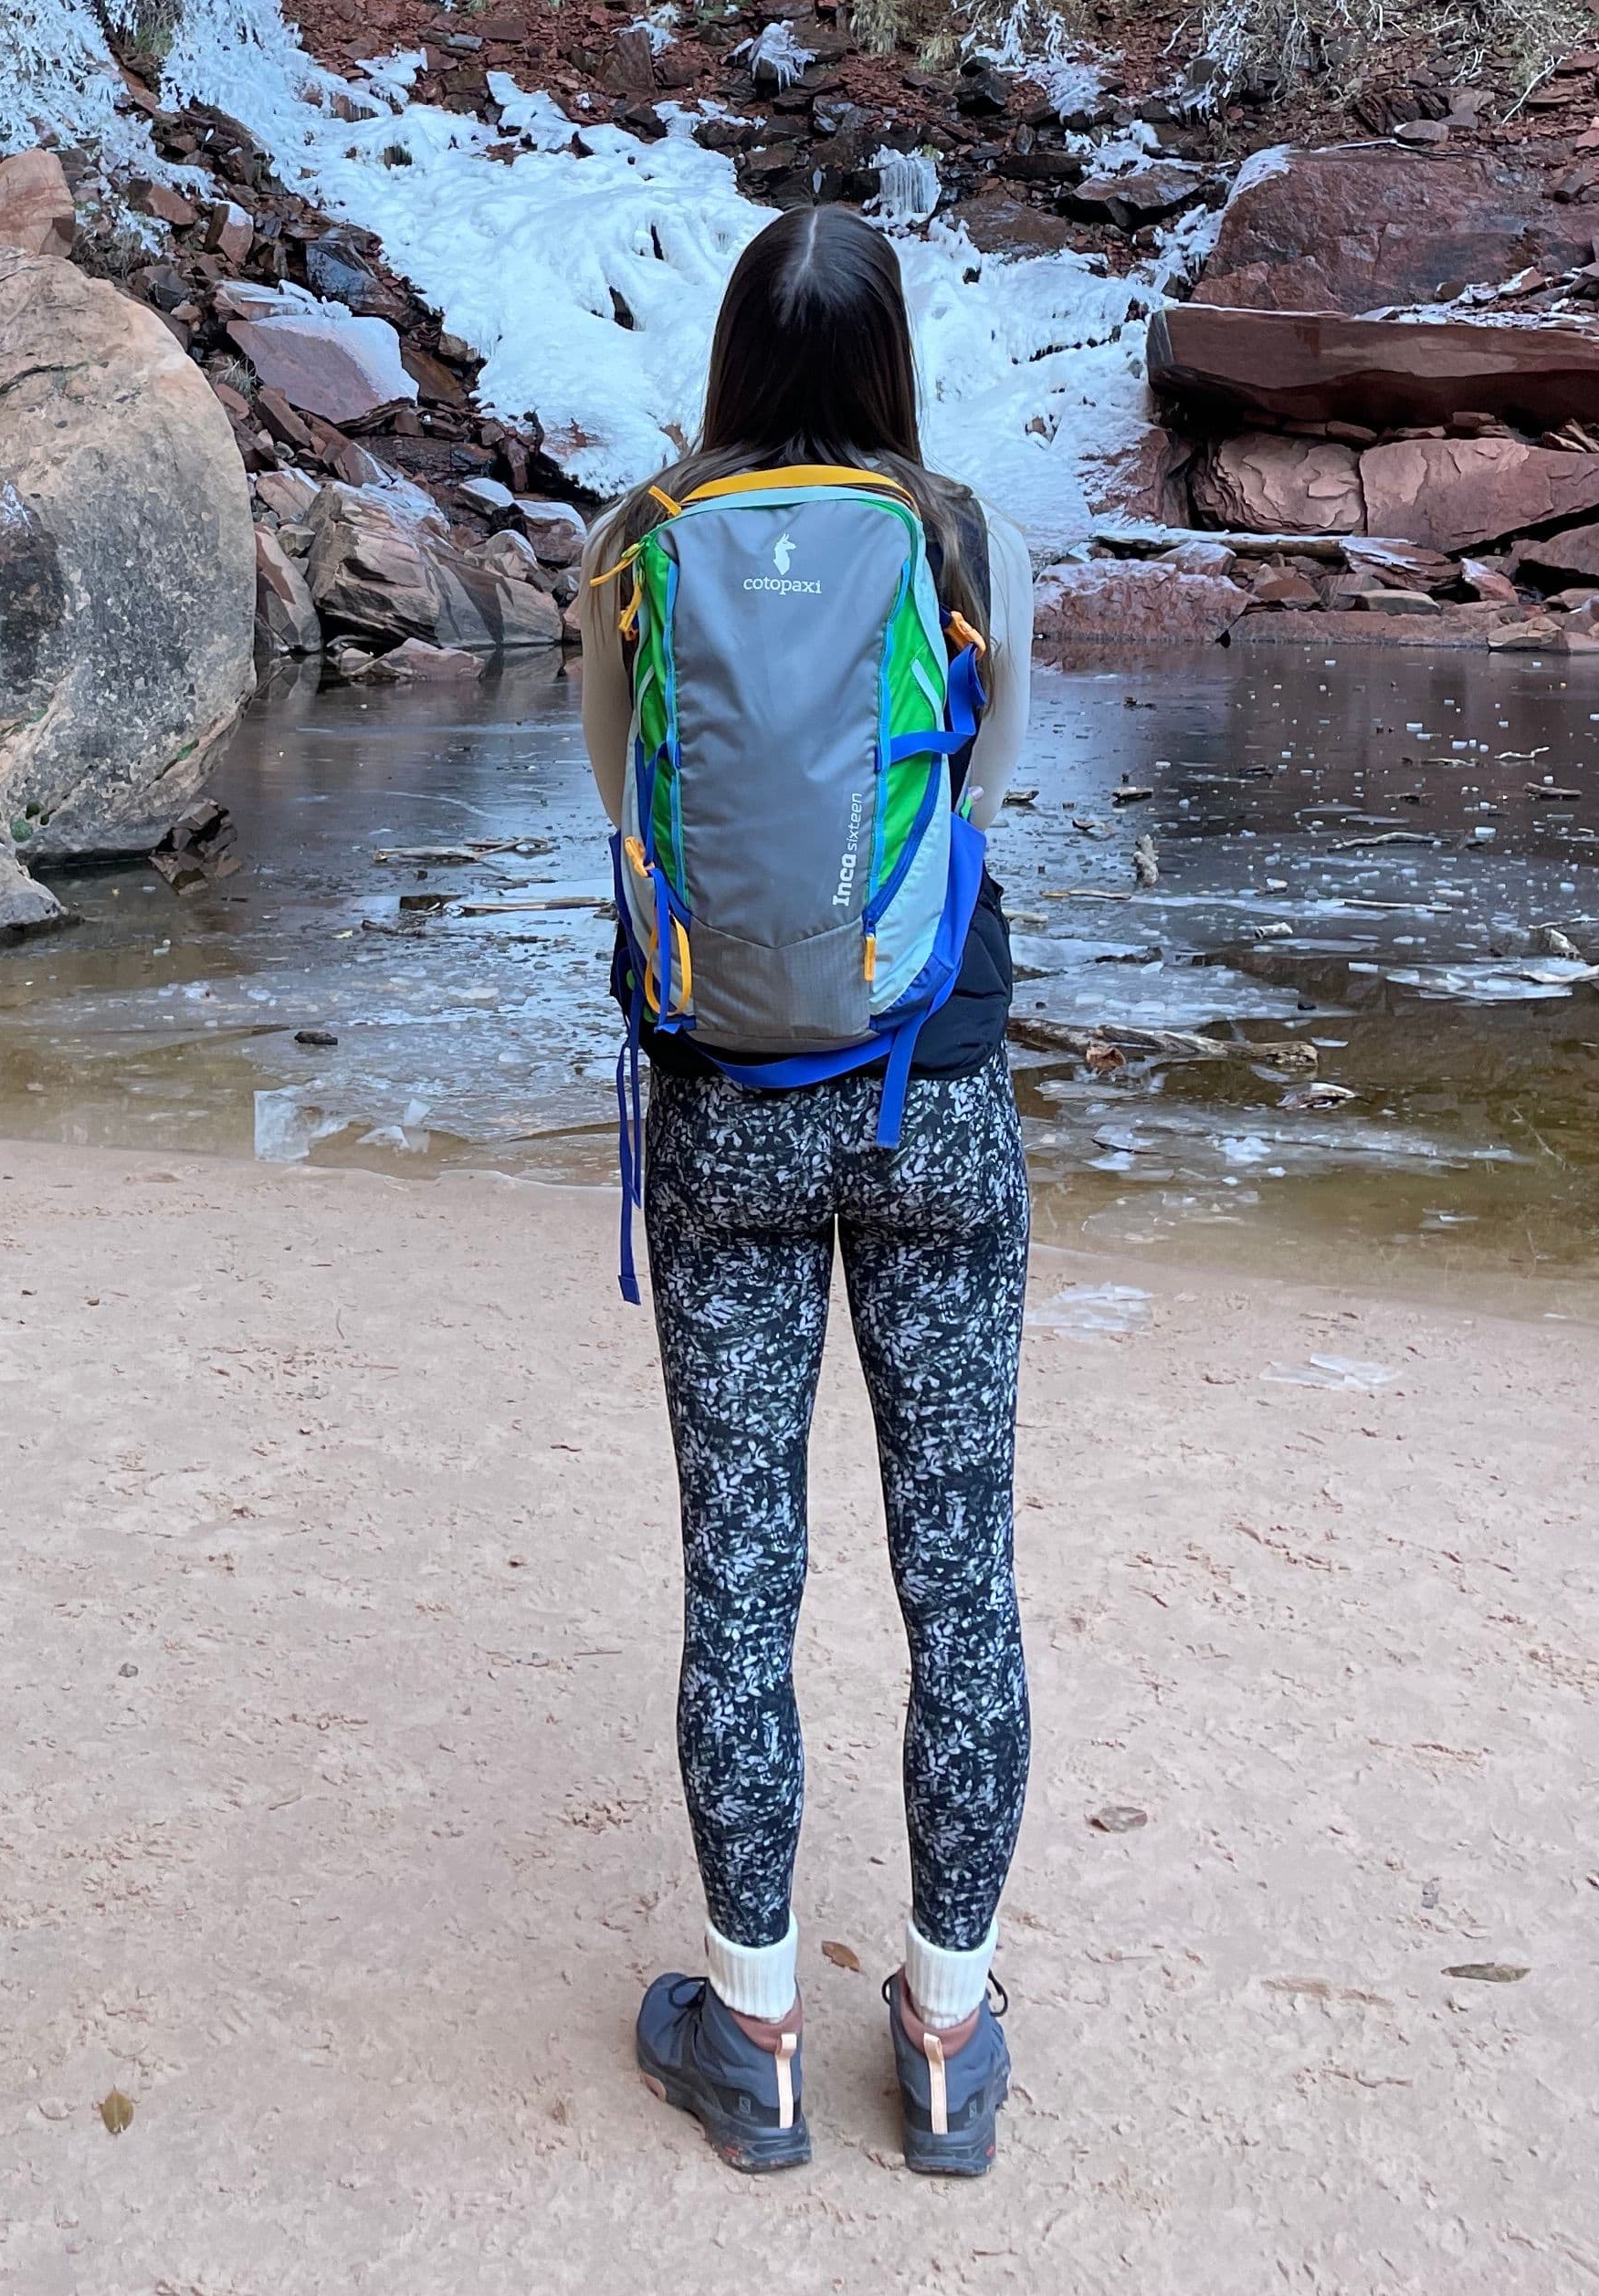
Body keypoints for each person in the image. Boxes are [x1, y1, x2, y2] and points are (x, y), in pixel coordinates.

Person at [577, 204, 1035, 2179]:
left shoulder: (638, 539)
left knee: (740, 1577)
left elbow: (621, 802)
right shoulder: (951, 535)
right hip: (929, 1100)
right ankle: (945, 2028)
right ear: (893, 364)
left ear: (736, 355)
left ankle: (751, 2028)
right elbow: (984, 790)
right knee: (960, 1570)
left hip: (724, 1115)